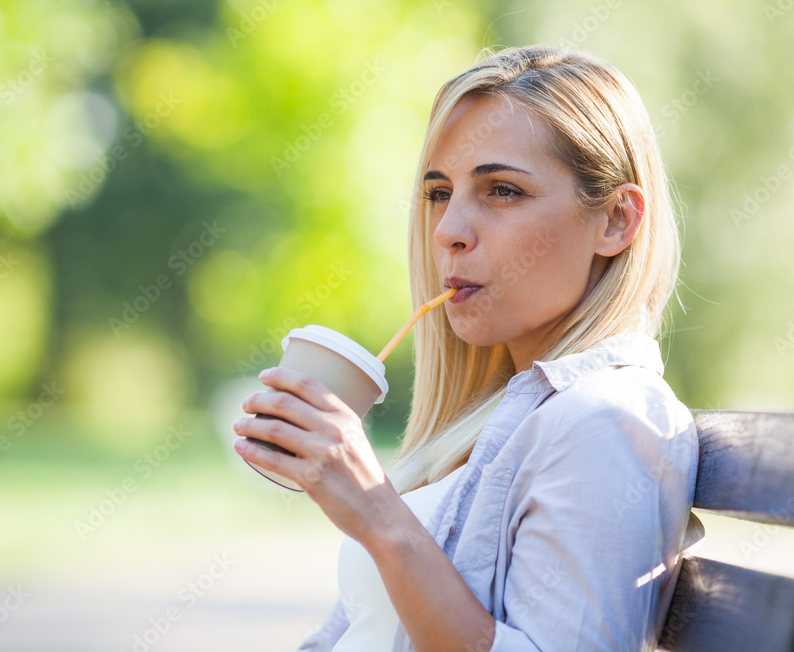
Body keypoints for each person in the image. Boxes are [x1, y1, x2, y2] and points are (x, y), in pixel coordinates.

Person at [231, 44, 700, 652]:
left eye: (502, 191)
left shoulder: (607, 420)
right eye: (438, 194)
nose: (449, 231)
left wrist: (376, 512)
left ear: (615, 221)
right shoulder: (502, 420)